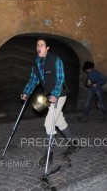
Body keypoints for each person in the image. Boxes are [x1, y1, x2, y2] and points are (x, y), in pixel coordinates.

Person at [21, 37, 77, 166]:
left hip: (60, 95)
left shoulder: (56, 60)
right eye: (37, 45)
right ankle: (73, 143)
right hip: (48, 95)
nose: (38, 47)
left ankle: (49, 154)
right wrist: (26, 92)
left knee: (49, 123)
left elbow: (60, 79)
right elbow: (33, 80)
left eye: (41, 45)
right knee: (59, 120)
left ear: (47, 48)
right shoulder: (36, 62)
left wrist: (55, 94)